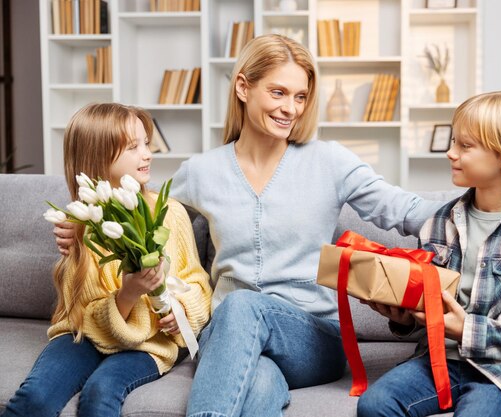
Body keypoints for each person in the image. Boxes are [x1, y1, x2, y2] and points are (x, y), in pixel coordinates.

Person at [52, 34, 445, 417]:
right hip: (229, 339)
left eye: (300, 96)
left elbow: (407, 210)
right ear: (243, 87)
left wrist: (494, 208)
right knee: (258, 384)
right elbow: (144, 212)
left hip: (313, 339)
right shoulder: (202, 172)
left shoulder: (330, 162)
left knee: (242, 306)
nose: (291, 107)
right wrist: (86, 223)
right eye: (278, 92)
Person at [357, 91, 501, 417]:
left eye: (464, 145)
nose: (450, 153)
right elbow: (431, 305)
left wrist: (468, 330)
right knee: (375, 405)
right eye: (453, 141)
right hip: (440, 359)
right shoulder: (439, 223)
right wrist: (403, 320)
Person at [2, 103, 212, 417]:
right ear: (97, 157)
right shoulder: (81, 225)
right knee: (36, 398)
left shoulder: (169, 212)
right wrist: (128, 294)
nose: (147, 154)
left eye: (146, 143)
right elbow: (86, 315)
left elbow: (197, 281)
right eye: (133, 147)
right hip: (82, 335)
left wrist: (181, 309)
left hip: (151, 341)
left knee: (101, 393)